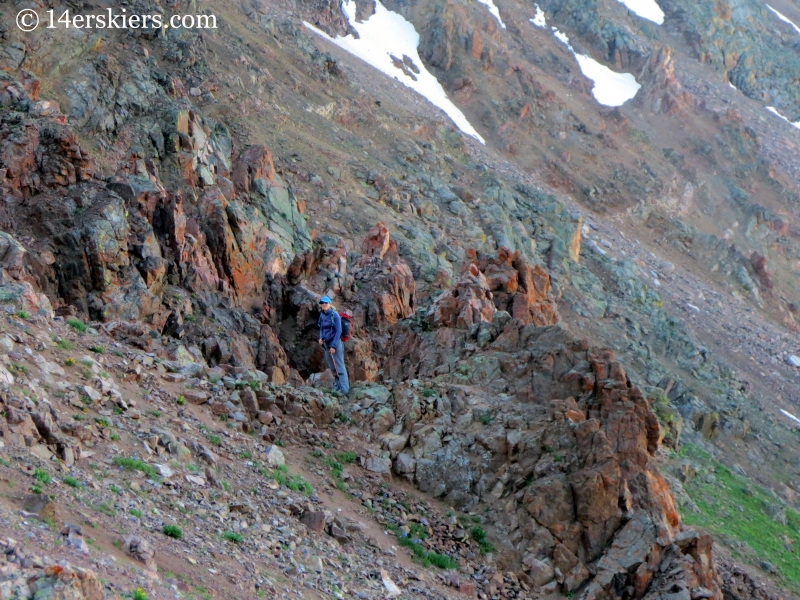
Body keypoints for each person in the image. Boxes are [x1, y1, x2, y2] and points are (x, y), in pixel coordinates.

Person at [317, 296, 350, 394]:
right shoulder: (322, 315)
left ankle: (344, 389)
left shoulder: (334, 315)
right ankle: (337, 387)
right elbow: (321, 328)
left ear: (330, 304)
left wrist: (334, 346)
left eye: (326, 303)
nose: (324, 304)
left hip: (335, 343)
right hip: (326, 344)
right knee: (332, 366)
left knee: (339, 365)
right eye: (322, 303)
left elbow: (339, 330)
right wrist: (321, 338)